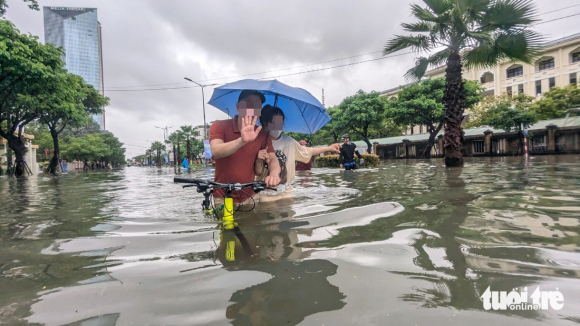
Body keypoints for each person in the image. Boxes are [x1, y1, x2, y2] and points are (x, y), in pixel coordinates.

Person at [255, 105, 341, 200]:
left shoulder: (290, 142)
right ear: (264, 123)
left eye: (280, 122)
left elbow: (308, 151)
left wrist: (328, 148)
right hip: (263, 194)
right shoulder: (257, 142)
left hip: (285, 193)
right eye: (273, 122)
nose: (277, 126)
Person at [209, 90, 281, 204]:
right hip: (222, 195)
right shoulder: (219, 126)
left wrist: (274, 175)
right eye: (248, 102)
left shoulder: (262, 133)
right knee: (224, 222)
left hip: (250, 195)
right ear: (238, 106)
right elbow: (216, 151)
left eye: (257, 104)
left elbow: (272, 158)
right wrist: (241, 141)